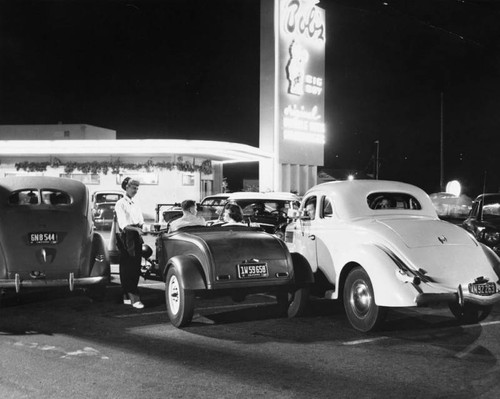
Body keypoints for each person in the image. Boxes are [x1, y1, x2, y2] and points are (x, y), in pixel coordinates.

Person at [114, 177, 145, 309]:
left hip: (136, 234)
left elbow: (140, 220)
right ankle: (134, 299)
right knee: (129, 267)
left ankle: (126, 296)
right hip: (126, 236)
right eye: (133, 188)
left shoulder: (135, 203)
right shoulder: (120, 203)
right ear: (126, 187)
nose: (136, 190)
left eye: (137, 188)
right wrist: (137, 229)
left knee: (135, 266)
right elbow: (123, 225)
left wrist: (142, 227)